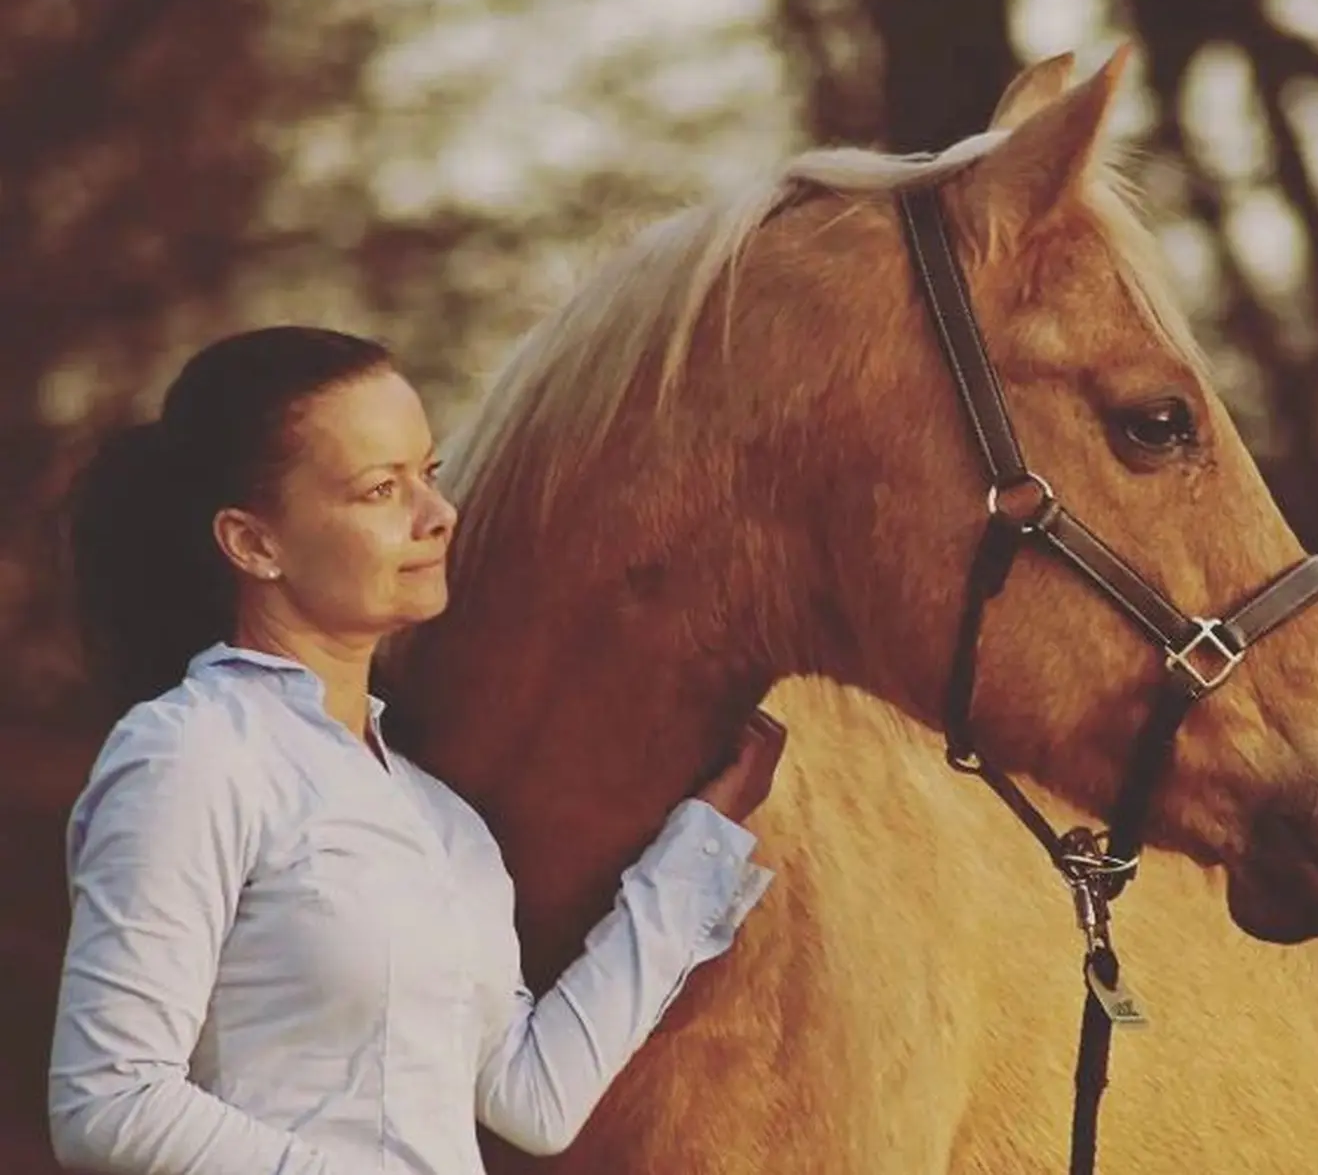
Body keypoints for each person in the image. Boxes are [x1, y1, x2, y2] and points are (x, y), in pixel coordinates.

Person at [48, 326, 786, 1175]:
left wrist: (704, 838)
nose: (438, 516)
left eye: (428, 475)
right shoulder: (193, 754)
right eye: (379, 490)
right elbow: (107, 1100)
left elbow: (532, 1096)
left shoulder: (440, 818)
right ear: (254, 543)